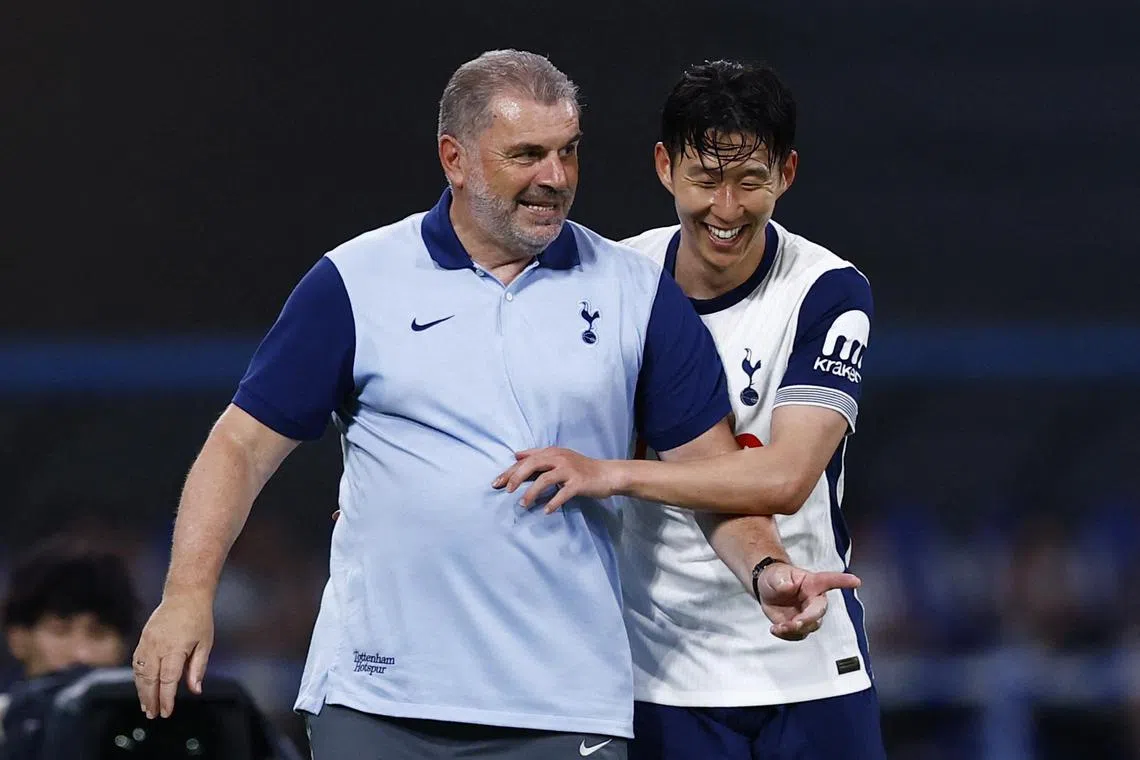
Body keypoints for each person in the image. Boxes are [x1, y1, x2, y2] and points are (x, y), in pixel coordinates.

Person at [131, 50, 855, 760]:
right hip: (379, 698)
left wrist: (764, 573)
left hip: (563, 708)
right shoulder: (355, 281)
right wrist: (188, 593)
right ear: (455, 158)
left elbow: (713, 477)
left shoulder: (635, 293)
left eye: (568, 153)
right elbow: (240, 446)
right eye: (527, 155)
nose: (555, 178)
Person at [495, 61, 887, 759]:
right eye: (706, 178)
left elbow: (785, 480)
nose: (727, 209)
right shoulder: (614, 284)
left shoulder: (827, 292)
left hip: (809, 668)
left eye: (751, 180)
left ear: (787, 174)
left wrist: (614, 473)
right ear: (665, 167)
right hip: (660, 682)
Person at [0, 535, 138, 754]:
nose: (80, 654)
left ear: (124, 645)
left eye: (98, 634)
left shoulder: (153, 732)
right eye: (60, 631)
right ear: (18, 639)